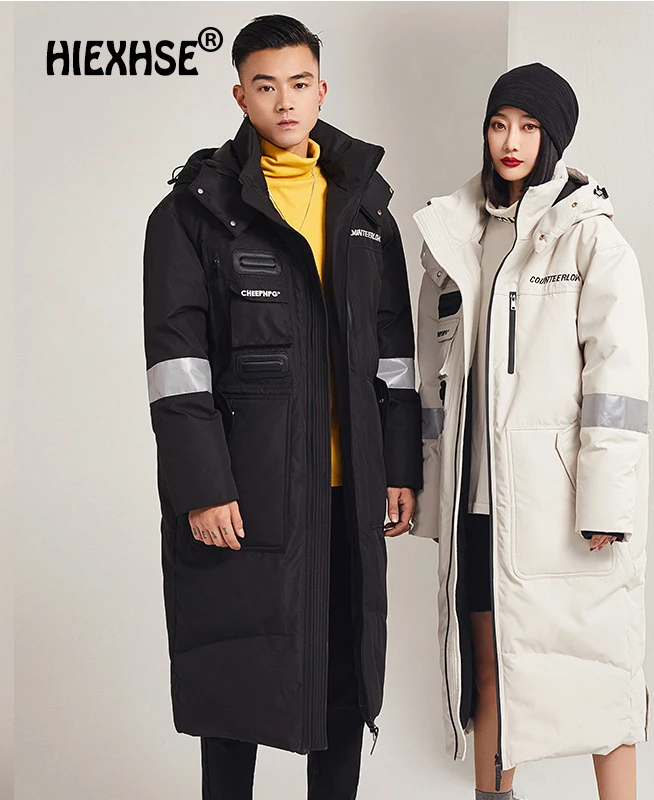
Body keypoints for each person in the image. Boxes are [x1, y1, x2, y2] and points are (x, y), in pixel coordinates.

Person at [142, 14, 422, 800]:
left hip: (348, 494)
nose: (285, 101)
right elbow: (177, 371)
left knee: (342, 685)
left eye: (299, 84)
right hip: (245, 493)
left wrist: (398, 467)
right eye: (266, 86)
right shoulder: (192, 214)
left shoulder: (366, 214)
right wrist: (203, 487)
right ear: (240, 95)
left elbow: (394, 359)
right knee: (235, 685)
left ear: (322, 89)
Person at [411, 63, 650, 800]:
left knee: (602, 673)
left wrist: (606, 501)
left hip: (563, 503)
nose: (510, 142)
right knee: (488, 673)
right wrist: (424, 482)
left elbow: (617, 384)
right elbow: (431, 374)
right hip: (478, 504)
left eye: (528, 126)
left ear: (553, 137)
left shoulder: (590, 240)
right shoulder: (455, 234)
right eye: (498, 124)